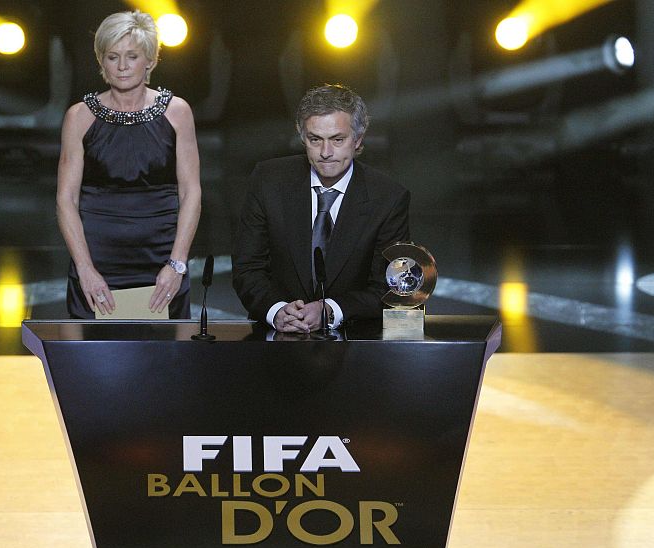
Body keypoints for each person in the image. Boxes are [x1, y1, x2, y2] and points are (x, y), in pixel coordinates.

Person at [57, 10, 201, 318]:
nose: (122, 67)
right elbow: (65, 199)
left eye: (132, 56)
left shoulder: (177, 112)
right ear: (101, 61)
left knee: (166, 361)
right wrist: (85, 269)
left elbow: (191, 193)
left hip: (162, 264)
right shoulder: (79, 116)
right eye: (112, 56)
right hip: (96, 265)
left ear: (150, 60)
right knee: (93, 362)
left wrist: (177, 264)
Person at [232, 84, 410, 332]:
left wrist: (330, 310)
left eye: (338, 140)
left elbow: (388, 286)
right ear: (302, 136)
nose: (326, 152)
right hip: (276, 341)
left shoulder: (388, 197)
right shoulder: (268, 180)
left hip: (354, 343)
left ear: (358, 139)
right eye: (315, 140)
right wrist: (276, 310)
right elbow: (248, 268)